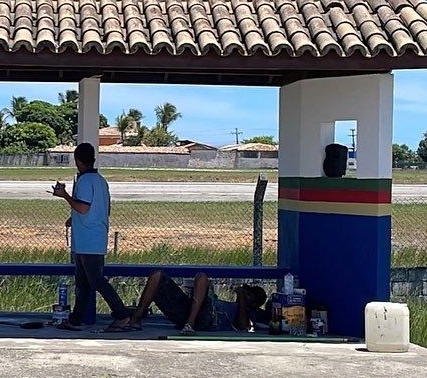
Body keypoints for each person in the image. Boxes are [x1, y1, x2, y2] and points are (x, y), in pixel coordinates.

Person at [51, 143, 131, 332]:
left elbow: (83, 207)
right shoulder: (101, 181)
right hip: (93, 236)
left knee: (95, 280)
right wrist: (74, 218)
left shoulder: (85, 182)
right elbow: (100, 209)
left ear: (77, 160)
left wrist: (64, 196)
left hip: (88, 239)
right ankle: (76, 319)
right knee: (84, 281)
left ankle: (122, 315)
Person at [128, 270, 268, 335]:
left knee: (201, 277)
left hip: (210, 319)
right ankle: (136, 319)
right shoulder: (236, 305)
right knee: (157, 276)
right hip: (190, 310)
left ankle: (190, 324)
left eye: (249, 295)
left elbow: (243, 326)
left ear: (254, 304)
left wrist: (242, 298)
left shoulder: (251, 313)